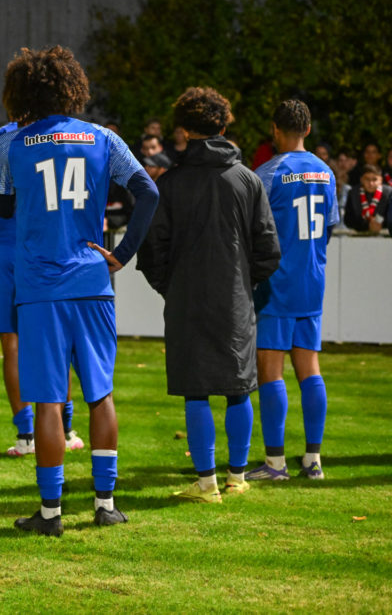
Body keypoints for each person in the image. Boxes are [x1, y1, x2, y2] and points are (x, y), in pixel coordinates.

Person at [0, 47, 158, 537]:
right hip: (92, 280)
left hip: (39, 286)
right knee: (100, 394)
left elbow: (2, 208)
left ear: (21, 92)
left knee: (48, 401)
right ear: (73, 89)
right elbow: (149, 192)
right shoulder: (104, 138)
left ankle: (50, 514)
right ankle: (105, 505)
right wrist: (122, 254)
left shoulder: (10, 143)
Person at [137, 87, 280, 503]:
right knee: (238, 387)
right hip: (234, 299)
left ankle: (206, 484)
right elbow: (269, 250)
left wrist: (172, 286)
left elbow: (152, 250)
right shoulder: (248, 180)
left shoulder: (171, 184)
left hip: (188, 300)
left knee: (195, 388)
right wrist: (243, 283)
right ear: (223, 125)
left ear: (184, 129)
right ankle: (236, 477)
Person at [0, 123, 87, 456]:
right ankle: (65, 430)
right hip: (48, 247)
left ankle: (27, 436)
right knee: (57, 341)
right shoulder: (59, 137)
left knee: (12, 344)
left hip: (4, 250)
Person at [248, 100, 338, 482]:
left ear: (274, 129)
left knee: (270, 368)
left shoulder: (268, 173)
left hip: (276, 284)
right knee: (310, 368)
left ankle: (275, 464)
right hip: (312, 281)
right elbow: (329, 227)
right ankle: (313, 461)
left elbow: (254, 232)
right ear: (309, 128)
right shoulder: (326, 172)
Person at [343, 164, 389, 234]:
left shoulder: (389, 193)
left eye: (375, 179)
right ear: (361, 180)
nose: (371, 183)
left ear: (381, 180)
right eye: (367, 179)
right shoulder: (353, 193)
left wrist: (381, 224)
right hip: (359, 235)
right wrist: (367, 225)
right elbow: (348, 220)